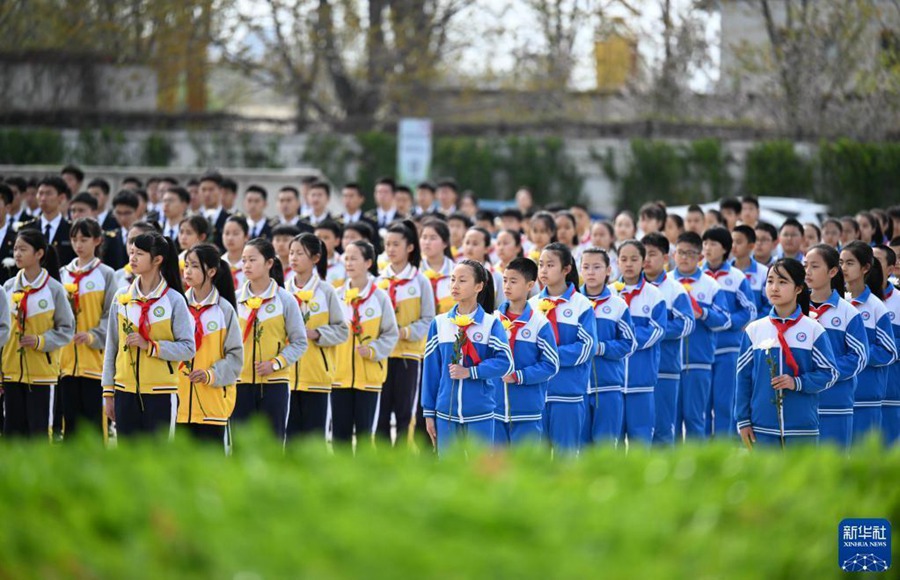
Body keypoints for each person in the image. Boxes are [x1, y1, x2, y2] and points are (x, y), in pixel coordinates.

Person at [736, 258, 838, 448]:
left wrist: (797, 382)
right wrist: (743, 420)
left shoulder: (813, 330)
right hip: (762, 428)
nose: (774, 287)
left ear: (798, 289)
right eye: (770, 281)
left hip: (802, 428)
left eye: (782, 282)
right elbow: (743, 379)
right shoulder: (754, 330)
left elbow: (830, 374)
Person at [102, 232, 194, 439]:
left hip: (161, 393)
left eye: (139, 254)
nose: (132, 258)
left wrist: (151, 346)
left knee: (159, 462)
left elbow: (188, 348)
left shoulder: (174, 300)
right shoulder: (121, 297)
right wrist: (108, 392)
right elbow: (112, 347)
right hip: (124, 392)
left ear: (158, 259)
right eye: (131, 252)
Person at [422, 259, 512, 454]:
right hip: (446, 415)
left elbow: (505, 363)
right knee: (448, 476)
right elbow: (431, 371)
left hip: (481, 414)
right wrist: (429, 413)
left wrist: (471, 372)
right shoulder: (439, 324)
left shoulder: (491, 324)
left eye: (462, 280)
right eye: (453, 279)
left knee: (480, 476)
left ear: (479, 286)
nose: (454, 286)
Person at [232, 238, 307, 442]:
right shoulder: (234, 299)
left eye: (252, 260)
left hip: (275, 384)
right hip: (240, 383)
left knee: (273, 443)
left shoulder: (285, 299)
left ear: (269, 263)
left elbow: (300, 342)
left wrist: (275, 364)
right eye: (244, 260)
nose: (246, 265)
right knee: (240, 445)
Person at [2, 229, 70, 439]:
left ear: (39, 253)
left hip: (42, 374)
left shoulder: (54, 289)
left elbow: (67, 330)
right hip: (11, 372)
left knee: (39, 435)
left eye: (23, 249)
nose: (17, 254)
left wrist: (41, 341)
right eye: (15, 249)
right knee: (12, 435)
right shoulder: (8, 287)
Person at [332, 240, 399, 447]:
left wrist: (372, 350)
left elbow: (391, 334)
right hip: (338, 377)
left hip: (369, 378)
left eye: (354, 258)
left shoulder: (380, 298)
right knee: (339, 438)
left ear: (368, 262)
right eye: (346, 258)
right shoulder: (336, 296)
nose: (349, 263)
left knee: (364, 437)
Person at [374, 221, 435, 445]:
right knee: (379, 414)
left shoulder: (420, 281)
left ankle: (402, 462)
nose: (390, 249)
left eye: (396, 244)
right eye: (387, 244)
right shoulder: (378, 281)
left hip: (408, 356)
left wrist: (405, 332)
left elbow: (429, 320)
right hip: (380, 357)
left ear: (410, 247)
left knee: (404, 415)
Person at [531, 243, 595, 452]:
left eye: (550, 265)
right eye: (541, 265)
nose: (543, 270)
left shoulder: (581, 304)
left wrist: (548, 358)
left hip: (568, 393)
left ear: (566, 269)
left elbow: (586, 347)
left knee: (566, 458)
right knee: (534, 461)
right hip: (535, 395)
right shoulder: (530, 305)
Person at [178, 244, 243, 447]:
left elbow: (235, 357)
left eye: (195, 266)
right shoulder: (177, 305)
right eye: (186, 265)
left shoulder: (224, 310)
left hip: (212, 404)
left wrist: (210, 375)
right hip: (178, 404)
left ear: (212, 271)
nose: (187, 271)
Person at [805, 244, 869, 449]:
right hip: (801, 403)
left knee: (836, 467)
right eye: (805, 265)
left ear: (833, 271)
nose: (807, 271)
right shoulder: (796, 309)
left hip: (836, 402)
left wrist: (824, 373)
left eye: (814, 266)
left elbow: (859, 357)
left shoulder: (848, 313)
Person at [285, 234, 347, 439]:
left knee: (315, 440)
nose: (293, 257)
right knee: (289, 440)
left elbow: (342, 330)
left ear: (315, 258)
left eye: (300, 253)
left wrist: (317, 333)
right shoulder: (283, 291)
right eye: (291, 252)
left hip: (317, 377)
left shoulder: (327, 291)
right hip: (285, 376)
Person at [59, 218, 116, 440]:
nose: (78, 245)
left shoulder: (106, 274)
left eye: (84, 239)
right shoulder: (63, 273)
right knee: (69, 424)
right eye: (74, 239)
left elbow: (110, 314)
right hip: (66, 363)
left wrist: (93, 336)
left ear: (97, 240)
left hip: (95, 362)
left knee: (93, 424)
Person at [670, 232, 731, 440]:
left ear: (700, 257)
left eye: (690, 253)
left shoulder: (711, 285)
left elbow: (724, 319)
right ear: (674, 254)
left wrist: (703, 313)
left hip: (699, 362)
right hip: (669, 364)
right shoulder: (666, 283)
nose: (684, 257)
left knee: (695, 418)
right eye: (680, 252)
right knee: (670, 420)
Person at [494, 257, 559, 445]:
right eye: (505, 280)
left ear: (530, 285)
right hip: (495, 410)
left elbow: (551, 365)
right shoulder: (493, 320)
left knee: (526, 470)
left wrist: (518, 376)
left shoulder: (539, 323)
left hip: (527, 411)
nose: (507, 286)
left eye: (513, 281)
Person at [701, 227, 757, 438]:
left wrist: (727, 322)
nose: (707, 248)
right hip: (703, 350)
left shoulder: (737, 277)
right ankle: (702, 448)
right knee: (703, 403)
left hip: (728, 349)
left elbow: (749, 310)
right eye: (705, 243)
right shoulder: (698, 276)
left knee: (725, 402)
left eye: (713, 244)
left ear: (725, 248)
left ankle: (723, 447)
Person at [608, 240, 666, 446]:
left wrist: (624, 339)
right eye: (624, 259)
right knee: (610, 441)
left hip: (641, 380)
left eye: (634, 259)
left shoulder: (654, 295)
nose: (629, 264)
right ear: (617, 262)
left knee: (640, 442)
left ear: (643, 261)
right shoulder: (609, 294)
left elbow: (657, 331)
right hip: (611, 384)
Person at [841, 242, 898, 443]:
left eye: (850, 263)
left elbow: (888, 351)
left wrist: (856, 354)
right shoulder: (835, 303)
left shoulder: (876, 306)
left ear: (866, 268)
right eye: (840, 263)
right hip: (837, 397)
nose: (843, 268)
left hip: (867, 397)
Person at [643, 233, 694, 446]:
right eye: (642, 254)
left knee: (663, 428)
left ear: (665, 258)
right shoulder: (622, 288)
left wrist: (655, 331)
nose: (646, 259)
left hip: (666, 368)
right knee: (638, 429)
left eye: (652, 254)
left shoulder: (674, 289)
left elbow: (687, 323)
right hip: (636, 371)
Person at [580, 248, 635, 446]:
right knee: (580, 449)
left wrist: (600, 348)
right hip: (578, 389)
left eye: (597, 267)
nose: (591, 272)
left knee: (606, 447)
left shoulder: (618, 305)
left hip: (609, 387)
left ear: (608, 270)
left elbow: (629, 343)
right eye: (586, 267)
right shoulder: (573, 304)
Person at [873, 245, 900, 444]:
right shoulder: (848, 301)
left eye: (877, 261)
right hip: (859, 395)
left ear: (890, 269)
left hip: (892, 392)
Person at [23, 176, 75, 266]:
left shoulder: (72, 230)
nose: (43, 198)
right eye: (40, 193)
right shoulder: (27, 229)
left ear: (61, 198)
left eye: (48, 193)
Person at [731, 225, 768, 317]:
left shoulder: (763, 272)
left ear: (751, 246)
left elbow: (769, 304)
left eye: (738, 242)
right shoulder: (724, 271)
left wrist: (754, 323)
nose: (733, 246)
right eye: (732, 241)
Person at [199, 172, 230, 252]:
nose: (207, 194)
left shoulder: (229, 219)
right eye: (203, 189)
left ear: (221, 191)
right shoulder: (193, 219)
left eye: (211, 189)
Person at [222, 215, 250, 292]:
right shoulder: (218, 264)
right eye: (227, 233)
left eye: (235, 233)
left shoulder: (251, 264)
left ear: (246, 237)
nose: (230, 238)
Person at [314, 220, 346, 288]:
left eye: (326, 238)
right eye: (318, 237)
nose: (321, 241)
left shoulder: (345, 264)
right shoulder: (307, 264)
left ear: (337, 241)